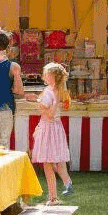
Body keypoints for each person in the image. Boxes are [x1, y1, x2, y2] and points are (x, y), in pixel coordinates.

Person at [32, 62, 73, 204]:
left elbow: (48, 114)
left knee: (47, 164)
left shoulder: (49, 92)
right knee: (56, 161)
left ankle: (53, 197)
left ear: (51, 76)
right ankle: (65, 183)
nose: (43, 76)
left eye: (45, 73)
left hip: (48, 128)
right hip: (57, 128)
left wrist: (45, 105)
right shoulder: (62, 91)